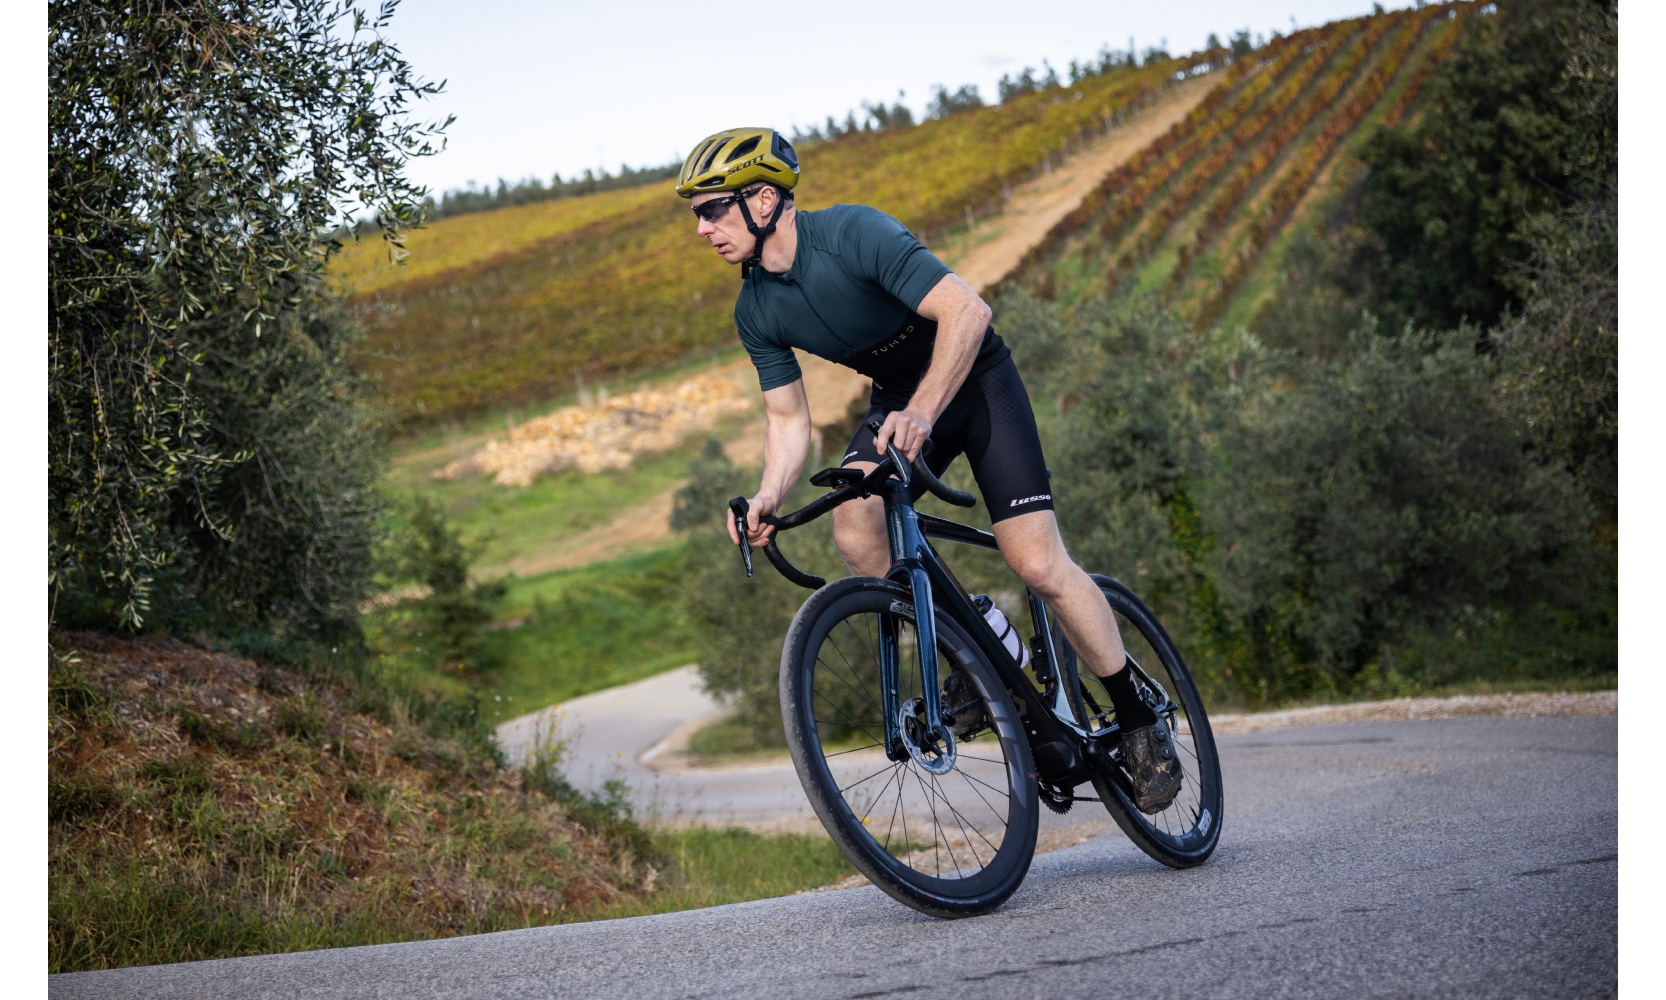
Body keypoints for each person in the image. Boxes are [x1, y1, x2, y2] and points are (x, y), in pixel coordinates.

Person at [678, 127, 1180, 812]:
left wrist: (922, 410)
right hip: (898, 401)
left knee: (1035, 563)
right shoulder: (755, 307)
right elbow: (789, 421)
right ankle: (977, 640)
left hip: (975, 381)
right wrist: (768, 494)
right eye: (695, 214)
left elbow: (967, 310)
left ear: (764, 199)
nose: (702, 228)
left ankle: (1138, 716)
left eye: (712, 209)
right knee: (856, 526)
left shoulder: (854, 233)